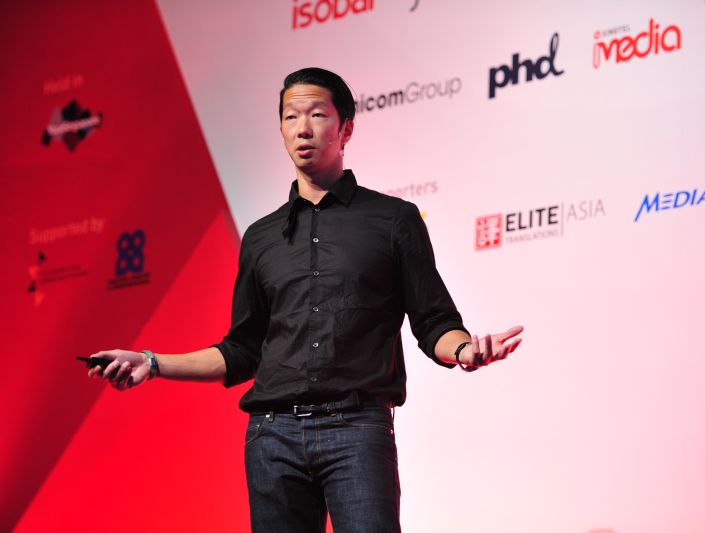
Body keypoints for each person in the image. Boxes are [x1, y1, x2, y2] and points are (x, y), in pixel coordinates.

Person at [88, 67, 523, 533]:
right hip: (272, 437)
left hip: (356, 429)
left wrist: (464, 350)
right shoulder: (261, 237)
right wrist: (151, 362)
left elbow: (433, 320)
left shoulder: (393, 219)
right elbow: (242, 350)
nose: (302, 128)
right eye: (291, 116)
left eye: (317, 114)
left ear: (346, 128)